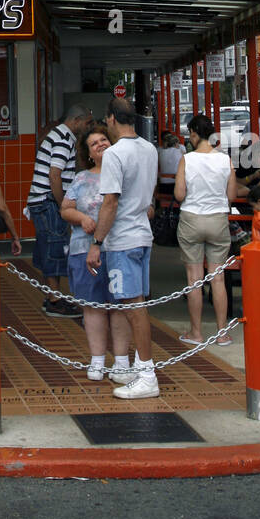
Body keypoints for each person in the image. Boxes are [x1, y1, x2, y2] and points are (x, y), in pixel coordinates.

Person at [85, 97, 159, 400]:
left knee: (133, 308)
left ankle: (146, 373)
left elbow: (110, 202)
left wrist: (97, 242)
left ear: (113, 119)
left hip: (122, 239)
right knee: (136, 306)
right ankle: (143, 370)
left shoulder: (115, 154)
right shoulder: (149, 149)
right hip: (143, 234)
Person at [61, 123, 134, 380]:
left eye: (104, 139)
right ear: (88, 153)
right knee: (92, 306)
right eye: (94, 143)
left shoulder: (124, 173)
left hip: (119, 248)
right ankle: (97, 360)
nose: (101, 144)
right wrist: (81, 218)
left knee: (120, 305)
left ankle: (123, 361)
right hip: (84, 250)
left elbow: (143, 207)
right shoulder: (81, 178)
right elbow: (65, 208)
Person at [174, 113, 236, 346]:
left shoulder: (187, 160)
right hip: (218, 219)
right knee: (217, 278)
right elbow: (231, 196)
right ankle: (222, 333)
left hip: (191, 218)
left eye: (190, 133)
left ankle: (196, 333)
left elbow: (179, 194)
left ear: (195, 134)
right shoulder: (225, 160)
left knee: (194, 279)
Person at [25, 104, 92, 317]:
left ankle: (51, 296)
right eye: (87, 123)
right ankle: (54, 300)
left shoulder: (58, 135)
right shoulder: (63, 139)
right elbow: (55, 174)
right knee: (55, 248)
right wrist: (64, 204)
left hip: (42, 201)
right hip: (48, 202)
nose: (88, 127)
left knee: (48, 248)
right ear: (77, 120)